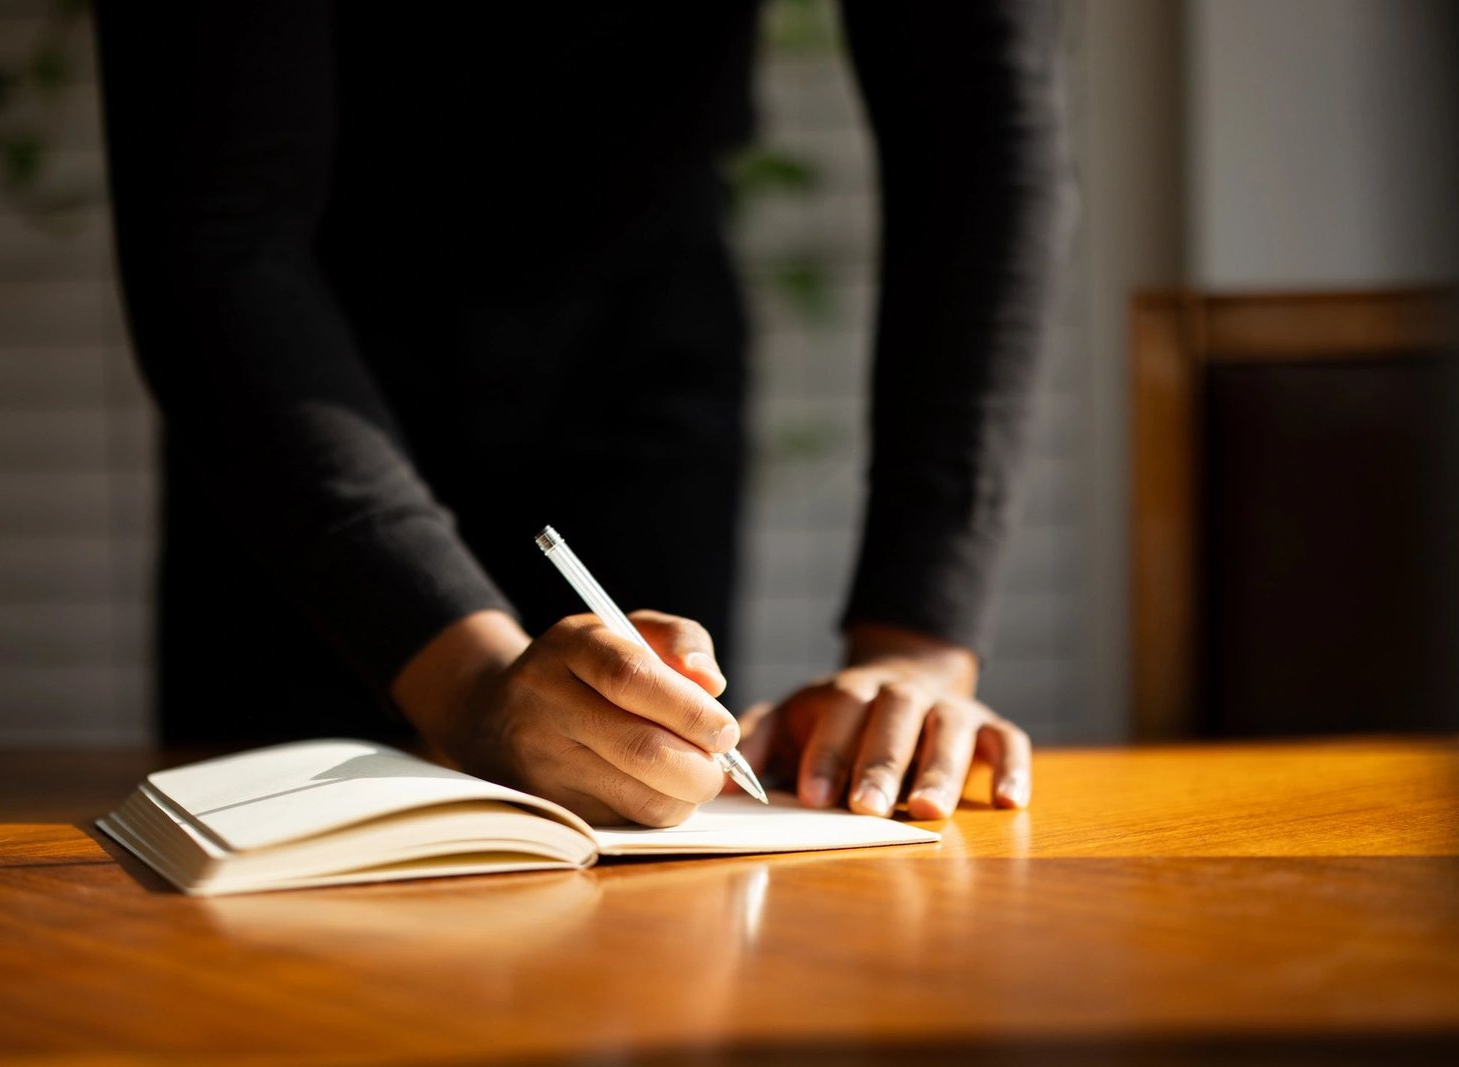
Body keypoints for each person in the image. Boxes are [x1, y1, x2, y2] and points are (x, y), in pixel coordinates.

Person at [94, 2, 1065, 827]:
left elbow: (980, 136)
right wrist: (467, 684)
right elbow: (217, 225)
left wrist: (914, 651)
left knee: (646, 859)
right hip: (297, 419)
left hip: (639, 348)